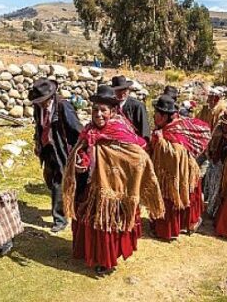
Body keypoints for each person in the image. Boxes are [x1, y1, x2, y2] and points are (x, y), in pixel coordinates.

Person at [63, 85, 165, 274]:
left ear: (112, 111)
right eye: (95, 110)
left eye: (103, 110)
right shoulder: (89, 131)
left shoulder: (119, 130)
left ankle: (105, 260)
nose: (98, 114)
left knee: (107, 225)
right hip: (90, 186)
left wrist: (127, 179)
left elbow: (139, 156)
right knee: (89, 221)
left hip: (113, 191)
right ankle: (90, 254)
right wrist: (80, 161)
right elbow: (82, 151)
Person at [149, 95, 211, 240]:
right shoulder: (163, 129)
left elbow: (178, 152)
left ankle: (176, 228)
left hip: (181, 173)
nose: (154, 116)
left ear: (164, 116)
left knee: (179, 198)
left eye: (156, 113)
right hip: (170, 172)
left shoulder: (175, 129)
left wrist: (162, 143)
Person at [30, 78, 82, 233]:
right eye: (39, 101)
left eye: (43, 100)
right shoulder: (37, 107)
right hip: (47, 150)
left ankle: (60, 219)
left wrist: (79, 150)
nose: (41, 103)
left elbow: (77, 129)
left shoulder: (63, 107)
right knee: (50, 180)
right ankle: (66, 206)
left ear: (50, 96)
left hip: (61, 149)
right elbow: (39, 127)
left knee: (58, 183)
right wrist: (38, 143)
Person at [203, 108, 227, 217]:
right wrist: (210, 154)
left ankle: (219, 212)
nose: (226, 126)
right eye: (225, 124)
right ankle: (212, 210)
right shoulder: (218, 130)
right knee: (213, 188)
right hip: (216, 165)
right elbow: (211, 143)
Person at [111, 75, 150, 140]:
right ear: (114, 91)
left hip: (134, 143)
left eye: (124, 90)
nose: (122, 93)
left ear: (128, 90)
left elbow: (144, 129)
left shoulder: (138, 106)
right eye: (118, 90)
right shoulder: (111, 105)